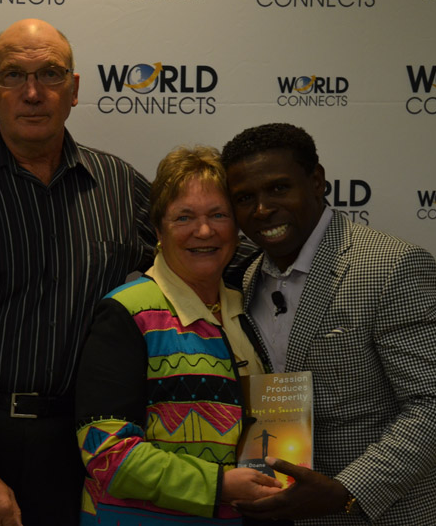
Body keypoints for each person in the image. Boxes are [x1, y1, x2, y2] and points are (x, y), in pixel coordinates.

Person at [0, 18, 156, 526]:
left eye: (51, 74)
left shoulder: (119, 184)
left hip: (91, 443)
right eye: (13, 75)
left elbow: (198, 251)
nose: (33, 93)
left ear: (75, 89)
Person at [220, 122, 436, 525]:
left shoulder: (391, 266)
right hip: (286, 511)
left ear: (317, 181)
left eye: (279, 188)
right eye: (245, 198)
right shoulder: (247, 280)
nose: (262, 209)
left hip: (390, 515)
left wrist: (347, 490)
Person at [74, 145, 283, 524]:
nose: (204, 231)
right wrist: (218, 485)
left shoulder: (251, 307)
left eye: (218, 215)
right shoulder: (127, 312)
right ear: (158, 230)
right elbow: (105, 451)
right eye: (184, 217)